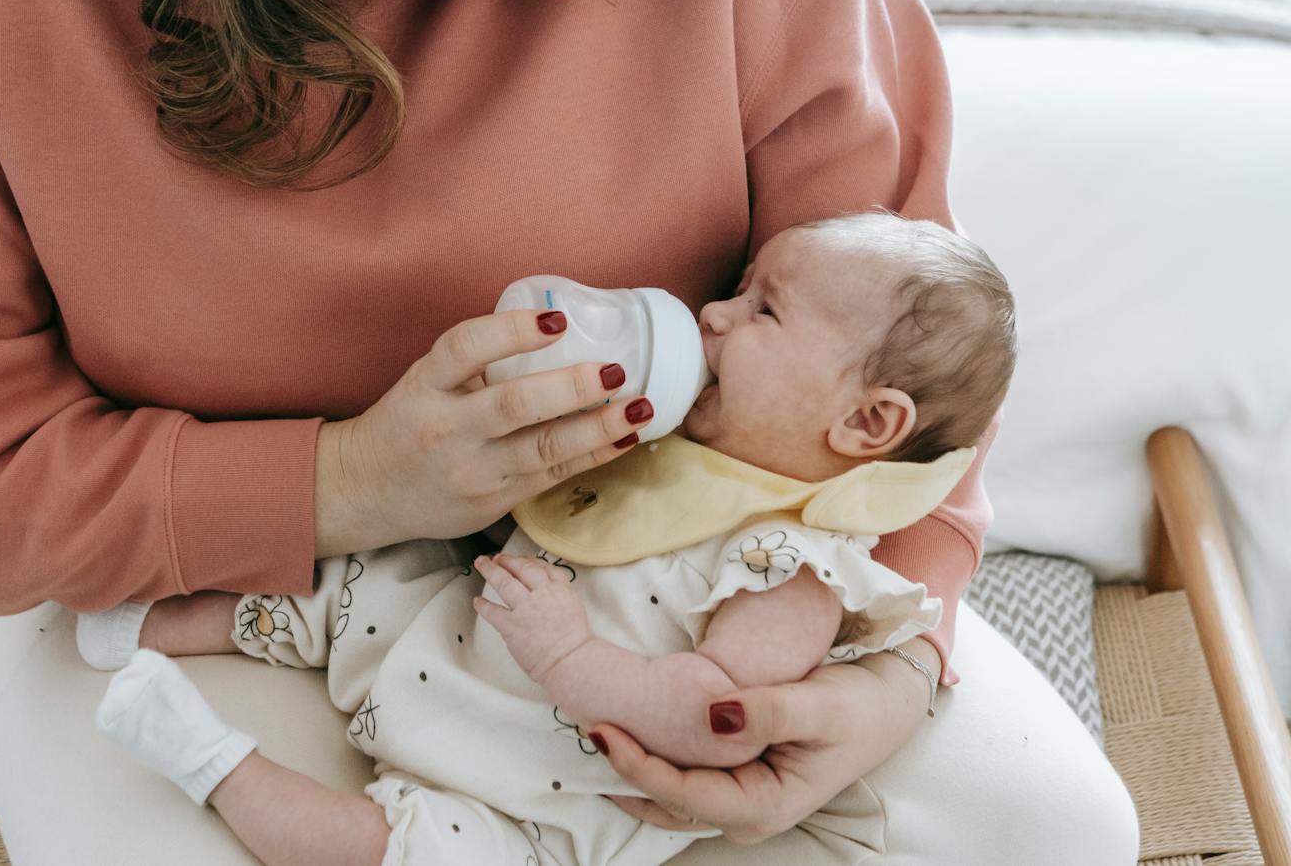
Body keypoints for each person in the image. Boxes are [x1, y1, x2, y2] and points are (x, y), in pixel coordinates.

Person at [0, 0, 1139, 860]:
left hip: (671, 565)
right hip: (201, 583)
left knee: (1054, 833)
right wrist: (356, 480)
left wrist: (901, 662)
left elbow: (906, 340)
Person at [86, 212, 1015, 866]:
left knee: (395, 855)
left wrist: (568, 650)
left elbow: (712, 717)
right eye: (735, 291)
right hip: (452, 632)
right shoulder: (680, 446)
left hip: (529, 796)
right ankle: (150, 627)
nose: (714, 315)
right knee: (362, 578)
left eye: (763, 310)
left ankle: (207, 761)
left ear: (867, 425)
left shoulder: (793, 567)